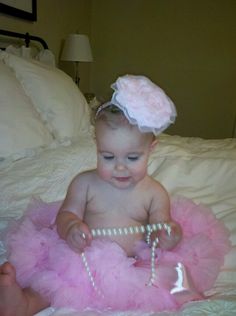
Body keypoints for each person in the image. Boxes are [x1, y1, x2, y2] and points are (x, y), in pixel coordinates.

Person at [0, 75, 230, 316]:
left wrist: (167, 235)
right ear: (96, 145)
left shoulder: (153, 193)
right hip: (84, 257)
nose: (120, 167)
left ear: (151, 149)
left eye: (132, 158)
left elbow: (162, 226)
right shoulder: (84, 184)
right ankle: (24, 303)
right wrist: (71, 229)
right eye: (108, 157)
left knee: (168, 277)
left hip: (134, 262)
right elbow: (66, 214)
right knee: (59, 279)